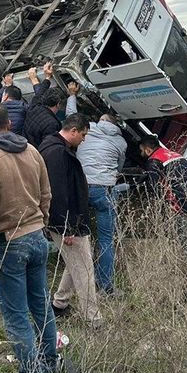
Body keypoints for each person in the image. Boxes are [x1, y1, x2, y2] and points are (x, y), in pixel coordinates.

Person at [0, 104, 59, 373]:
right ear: (10, 124)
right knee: (41, 304)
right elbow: (46, 193)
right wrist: (42, 222)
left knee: (16, 314)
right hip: (37, 236)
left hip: (8, 241)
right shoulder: (31, 150)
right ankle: (50, 363)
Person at [39, 114, 102, 322]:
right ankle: (93, 319)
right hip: (67, 222)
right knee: (84, 269)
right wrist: (66, 227)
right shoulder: (58, 153)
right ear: (73, 131)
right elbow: (57, 193)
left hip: (69, 220)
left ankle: (59, 303)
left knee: (77, 261)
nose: (84, 140)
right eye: (83, 135)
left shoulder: (54, 147)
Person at [139, 135, 187, 308]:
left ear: (148, 149)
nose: (141, 153)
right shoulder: (173, 154)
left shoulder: (153, 162)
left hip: (185, 208)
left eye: (142, 150)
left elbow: (155, 192)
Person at [66, 94, 128, 294]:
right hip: (104, 190)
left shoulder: (88, 130)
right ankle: (106, 286)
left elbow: (70, 115)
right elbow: (120, 167)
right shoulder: (121, 142)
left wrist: (72, 95)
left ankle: (77, 283)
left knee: (77, 236)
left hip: (82, 187)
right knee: (105, 239)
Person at [26, 65, 67, 148]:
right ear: (58, 104)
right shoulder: (53, 124)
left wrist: (47, 77)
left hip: (28, 142)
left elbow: (40, 92)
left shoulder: (35, 106)